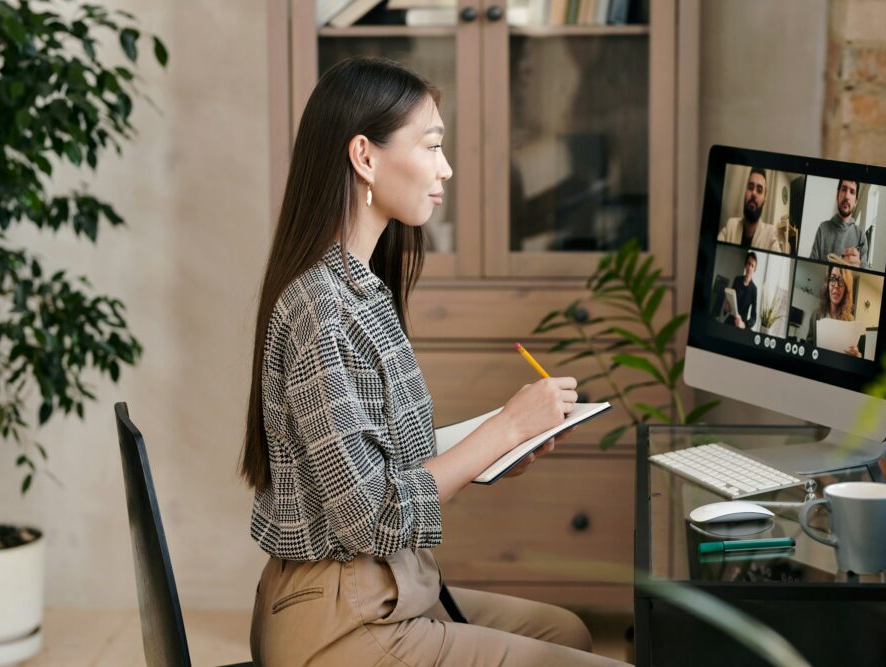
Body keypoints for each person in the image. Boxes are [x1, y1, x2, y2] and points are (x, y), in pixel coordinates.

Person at [239, 57, 628, 667]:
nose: (446, 168)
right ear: (364, 157)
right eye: (431, 145)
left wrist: (496, 451)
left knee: (568, 633)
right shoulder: (320, 307)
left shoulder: (361, 287)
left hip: (384, 587)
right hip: (339, 619)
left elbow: (384, 467)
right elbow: (372, 516)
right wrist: (506, 427)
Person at [717, 167, 781, 251]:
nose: (754, 193)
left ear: (764, 200)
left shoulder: (771, 234)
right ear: (745, 193)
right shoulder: (730, 226)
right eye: (750, 187)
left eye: (759, 190)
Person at [809, 179, 869, 268]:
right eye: (844, 189)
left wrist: (858, 268)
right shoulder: (823, 228)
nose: (847, 196)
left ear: (856, 202)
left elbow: (865, 272)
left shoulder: (861, 235)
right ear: (837, 195)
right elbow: (811, 267)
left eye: (852, 192)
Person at [806, 265, 862, 357]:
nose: (836, 286)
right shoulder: (815, 314)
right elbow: (808, 345)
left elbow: (853, 352)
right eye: (832, 279)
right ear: (827, 284)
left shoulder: (850, 320)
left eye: (841, 281)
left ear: (846, 289)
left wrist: (857, 356)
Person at [721, 252, 758, 330]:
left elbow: (754, 318)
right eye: (749, 263)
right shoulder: (737, 279)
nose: (750, 268)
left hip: (740, 325)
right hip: (730, 320)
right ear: (745, 265)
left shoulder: (754, 289)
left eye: (752, 266)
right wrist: (726, 308)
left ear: (754, 269)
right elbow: (730, 301)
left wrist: (743, 324)